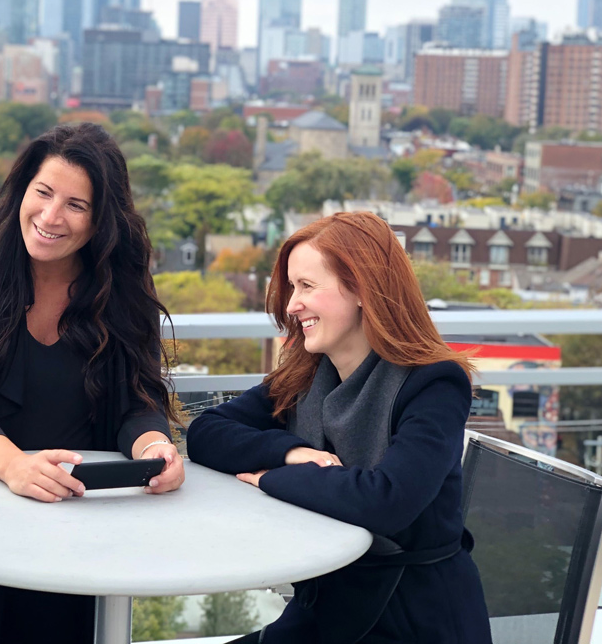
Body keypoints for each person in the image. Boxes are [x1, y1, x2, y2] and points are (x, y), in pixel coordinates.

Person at [0, 123, 185, 644]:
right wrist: (15, 466)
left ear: (101, 220)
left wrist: (155, 447)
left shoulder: (121, 287)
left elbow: (139, 399)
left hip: (68, 518)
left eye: (75, 205)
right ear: (21, 190)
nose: (49, 216)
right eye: (42, 192)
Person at [187, 211, 491, 644]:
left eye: (307, 286)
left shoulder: (434, 383)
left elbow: (388, 501)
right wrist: (292, 453)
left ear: (363, 287)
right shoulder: (309, 373)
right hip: (325, 607)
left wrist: (273, 478)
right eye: (293, 287)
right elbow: (207, 433)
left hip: (411, 617)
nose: (292, 304)